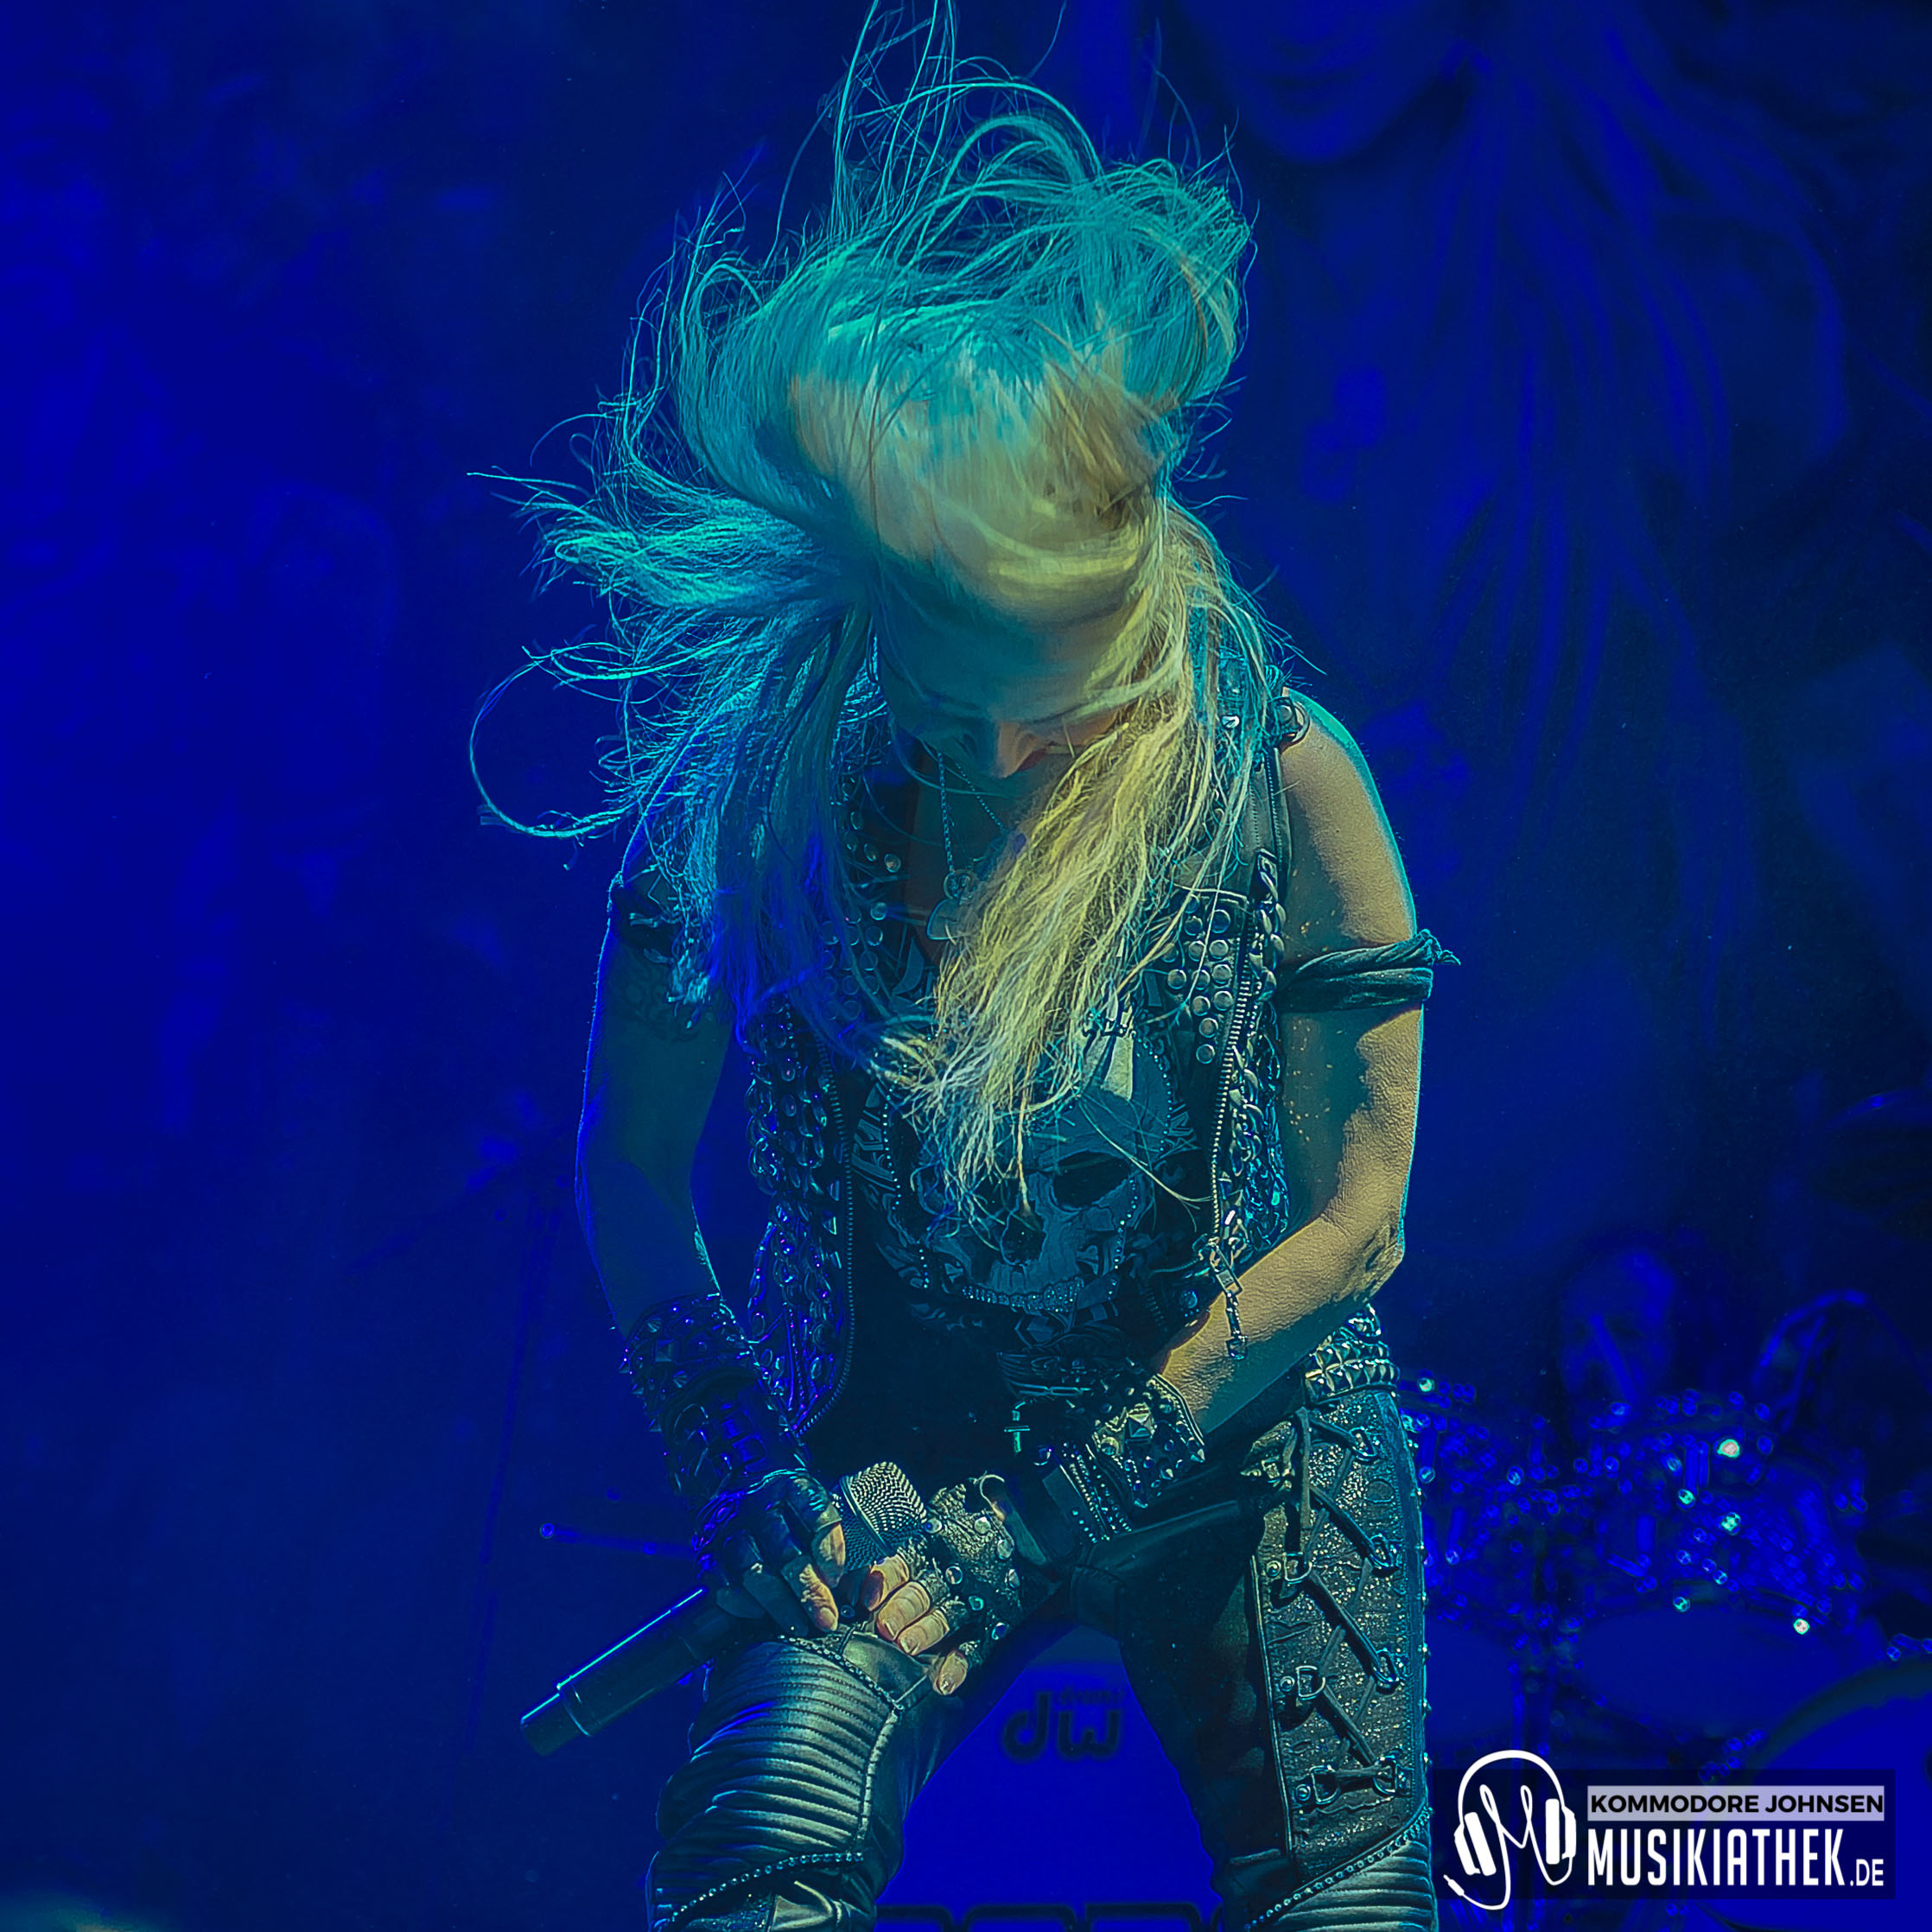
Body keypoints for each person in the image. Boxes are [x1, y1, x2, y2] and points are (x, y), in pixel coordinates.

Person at [513, 13, 1450, 1927]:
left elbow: (1357, 1221)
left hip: (1235, 1435)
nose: (994, 759)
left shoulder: (1285, 779)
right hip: (885, 1438)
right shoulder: (753, 790)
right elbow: (628, 1160)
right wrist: (744, 1469)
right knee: (751, 1870)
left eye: (1042, 710)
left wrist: (1057, 1512)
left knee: (1346, 1900)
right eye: (942, 709)